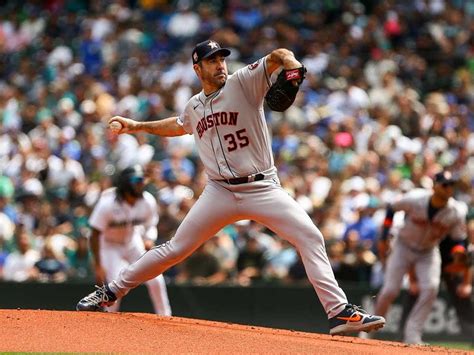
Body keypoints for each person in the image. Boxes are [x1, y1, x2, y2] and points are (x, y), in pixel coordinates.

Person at [76, 39, 385, 335]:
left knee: (310, 236)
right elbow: (178, 124)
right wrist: (137, 126)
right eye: (212, 60)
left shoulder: (243, 82)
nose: (220, 65)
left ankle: (339, 311)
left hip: (262, 186)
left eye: (222, 58)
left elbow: (278, 55)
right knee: (175, 249)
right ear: (198, 68)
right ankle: (110, 291)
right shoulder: (194, 106)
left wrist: (292, 66)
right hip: (219, 192)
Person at [374, 171, 468, 344]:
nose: (449, 189)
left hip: (428, 251)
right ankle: (369, 329)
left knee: (431, 287)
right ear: (435, 186)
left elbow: (459, 239)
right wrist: (383, 236)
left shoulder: (456, 211)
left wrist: (458, 251)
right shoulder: (416, 198)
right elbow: (391, 207)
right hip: (403, 246)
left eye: (451, 186)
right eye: (445, 185)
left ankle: (413, 334)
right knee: (390, 291)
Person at [77, 165, 171, 316]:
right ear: (126, 183)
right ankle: (109, 320)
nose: (142, 183)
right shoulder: (108, 203)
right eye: (137, 180)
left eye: (142, 180)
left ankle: (166, 316)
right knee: (115, 283)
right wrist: (98, 264)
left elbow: (151, 224)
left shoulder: (147, 201)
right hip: (109, 245)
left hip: (132, 241)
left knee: (156, 278)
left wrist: (148, 238)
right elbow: (94, 233)